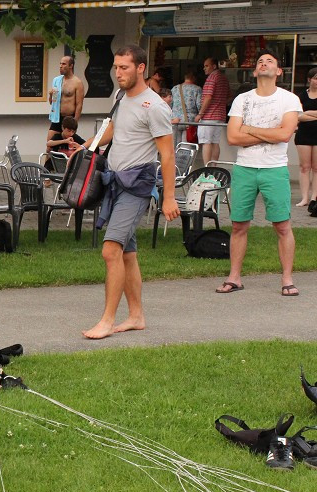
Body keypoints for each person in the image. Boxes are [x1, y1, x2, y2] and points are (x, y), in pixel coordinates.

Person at [82, 44, 179, 340]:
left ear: (141, 68)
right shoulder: (120, 95)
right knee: (127, 255)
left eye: (124, 67)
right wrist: (86, 147)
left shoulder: (156, 107)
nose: (118, 72)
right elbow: (113, 129)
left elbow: (167, 155)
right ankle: (136, 316)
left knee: (110, 250)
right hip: (115, 182)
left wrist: (169, 197)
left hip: (137, 185)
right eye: (115, 67)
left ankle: (107, 321)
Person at [217, 50, 303, 298]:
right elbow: (233, 137)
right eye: (259, 62)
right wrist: (269, 132)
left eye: (270, 62)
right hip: (244, 168)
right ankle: (234, 278)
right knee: (238, 225)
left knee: (283, 226)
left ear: (278, 71)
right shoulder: (242, 99)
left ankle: (287, 279)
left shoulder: (289, 99)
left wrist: (249, 129)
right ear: (254, 71)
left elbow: (284, 135)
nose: (263, 64)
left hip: (274, 169)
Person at [195, 57, 230, 166]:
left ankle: (206, 167)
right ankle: (214, 167)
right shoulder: (223, 78)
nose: (204, 68)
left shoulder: (211, 78)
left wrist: (200, 113)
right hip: (220, 116)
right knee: (215, 142)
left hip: (208, 117)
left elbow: (208, 97)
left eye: (206, 66)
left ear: (214, 66)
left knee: (206, 142)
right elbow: (229, 96)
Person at [47, 56, 86, 144]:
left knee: (68, 145)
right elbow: (51, 102)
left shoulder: (77, 82)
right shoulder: (57, 80)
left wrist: (75, 122)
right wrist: (50, 95)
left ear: (71, 66)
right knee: (49, 146)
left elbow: (79, 104)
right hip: (57, 117)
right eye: (60, 64)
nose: (61, 66)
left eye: (64, 64)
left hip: (69, 118)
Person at [294, 67, 317, 208]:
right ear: (309, 80)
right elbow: (297, 116)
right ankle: (304, 198)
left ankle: (315, 197)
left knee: (316, 167)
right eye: (315, 78)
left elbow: (303, 115)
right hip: (303, 136)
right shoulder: (301, 96)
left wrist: (307, 113)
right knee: (304, 167)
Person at [170, 69, 203, 145]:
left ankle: (175, 157)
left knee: (174, 144)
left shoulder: (175, 88)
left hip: (175, 120)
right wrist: (200, 115)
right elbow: (199, 105)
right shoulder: (197, 89)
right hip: (189, 121)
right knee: (186, 145)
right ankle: (184, 157)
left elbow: (170, 104)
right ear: (194, 78)